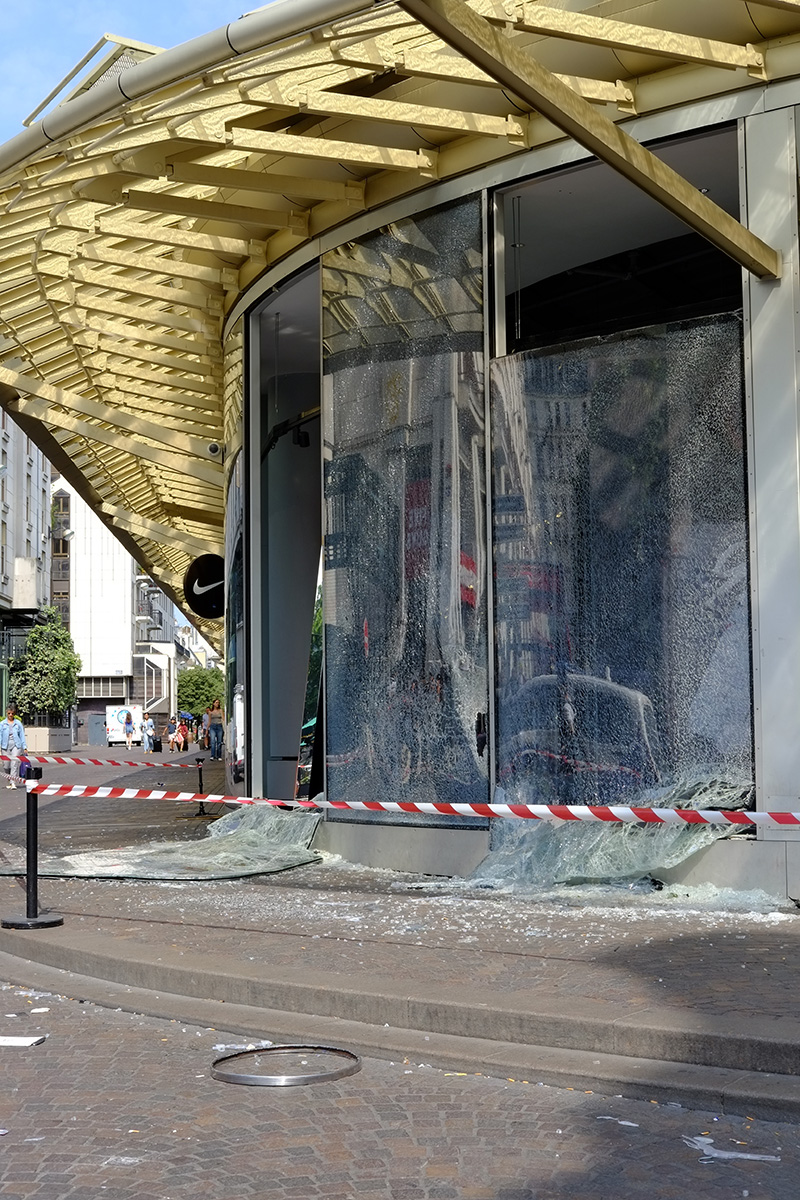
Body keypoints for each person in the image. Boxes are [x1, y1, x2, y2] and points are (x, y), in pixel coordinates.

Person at [1, 705, 28, 789]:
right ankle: (9, 778)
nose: (10, 715)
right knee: (6, 765)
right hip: (5, 745)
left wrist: (24, 747)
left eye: (12, 713)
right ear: (7, 713)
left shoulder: (18, 723)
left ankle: (13, 782)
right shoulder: (2, 724)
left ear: (14, 714)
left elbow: (22, 735)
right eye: (9, 713)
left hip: (16, 745)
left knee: (14, 763)